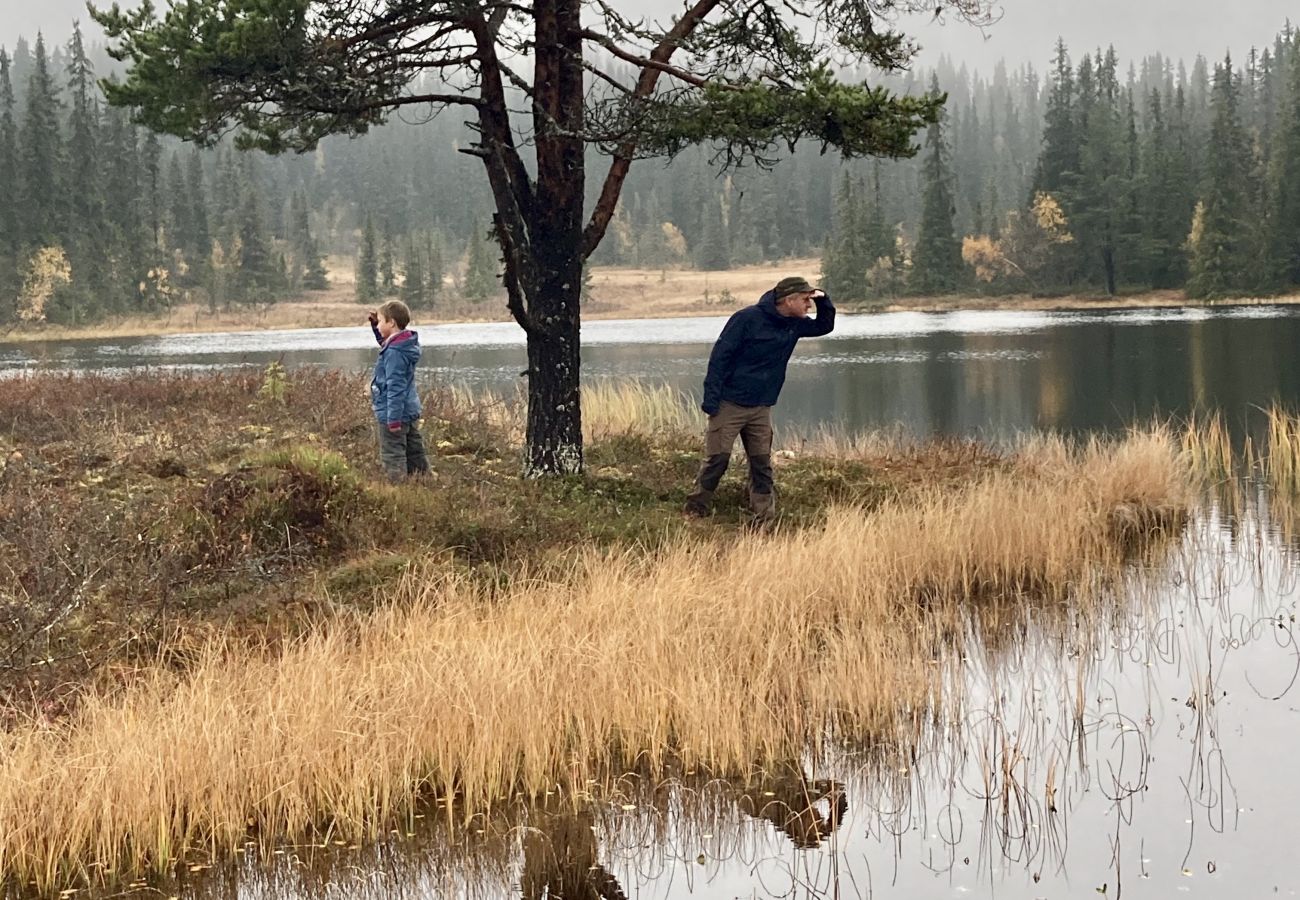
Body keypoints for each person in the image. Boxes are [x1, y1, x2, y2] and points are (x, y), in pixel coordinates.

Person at [684, 276, 835, 520]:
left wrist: (824, 300)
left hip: (761, 407)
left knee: (761, 465)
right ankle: (695, 508)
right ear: (789, 300)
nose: (809, 306)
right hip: (729, 404)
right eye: (806, 300)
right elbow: (720, 357)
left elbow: (824, 326)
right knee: (717, 460)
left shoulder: (795, 323)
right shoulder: (746, 319)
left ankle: (765, 517)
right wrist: (711, 401)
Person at [368, 299, 429, 482]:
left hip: (393, 413)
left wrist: (392, 419)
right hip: (408, 410)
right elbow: (386, 343)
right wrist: (374, 327)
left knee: (393, 455)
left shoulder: (394, 352)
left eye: (380, 322)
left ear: (391, 323)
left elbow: (395, 386)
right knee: (414, 451)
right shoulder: (402, 344)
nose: (378, 326)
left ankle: (398, 490)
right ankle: (425, 482)